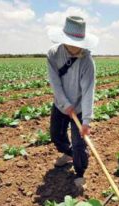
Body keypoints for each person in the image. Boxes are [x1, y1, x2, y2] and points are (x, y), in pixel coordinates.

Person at [46, 16, 99, 191]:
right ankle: (69, 155)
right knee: (56, 135)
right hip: (61, 105)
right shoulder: (53, 54)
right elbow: (55, 83)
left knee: (79, 143)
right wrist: (64, 104)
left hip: (79, 108)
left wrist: (86, 121)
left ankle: (80, 173)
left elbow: (88, 92)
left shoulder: (87, 62)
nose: (75, 46)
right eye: (71, 42)